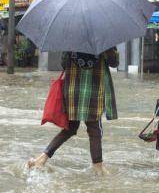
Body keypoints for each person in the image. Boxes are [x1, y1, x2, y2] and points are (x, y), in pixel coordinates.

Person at [27, 47, 119, 175]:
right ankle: (98, 167)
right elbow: (114, 63)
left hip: (72, 91)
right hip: (93, 91)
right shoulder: (103, 41)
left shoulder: (71, 41)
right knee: (95, 130)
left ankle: (41, 159)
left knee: (70, 128)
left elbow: (63, 64)